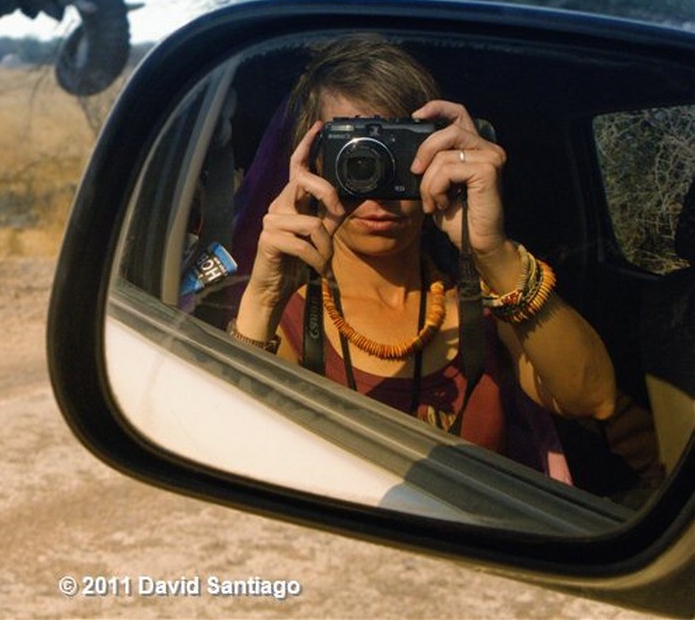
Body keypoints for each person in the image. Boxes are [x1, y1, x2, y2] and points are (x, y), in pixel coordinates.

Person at [229, 36, 617, 469]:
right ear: (309, 164)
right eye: (353, 156)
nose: (378, 189)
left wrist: (491, 249)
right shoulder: (286, 314)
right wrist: (263, 298)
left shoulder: (486, 304)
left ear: (443, 154)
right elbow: (234, 453)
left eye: (401, 151)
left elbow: (593, 399)